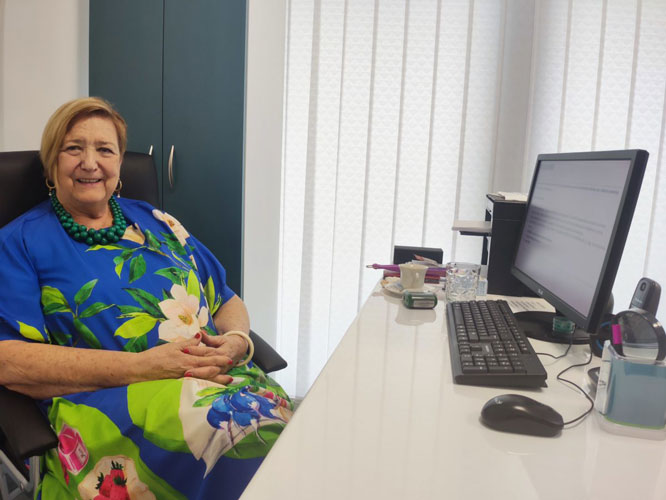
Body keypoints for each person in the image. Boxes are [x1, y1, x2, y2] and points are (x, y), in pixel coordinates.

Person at [0, 97, 292, 500]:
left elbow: (225, 299)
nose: (90, 163)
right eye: (73, 148)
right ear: (52, 162)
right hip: (109, 403)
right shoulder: (19, 242)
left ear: (120, 164)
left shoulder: (158, 221)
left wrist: (238, 340)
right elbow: (9, 360)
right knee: (241, 439)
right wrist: (144, 367)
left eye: (105, 150)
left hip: (221, 380)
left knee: (294, 434)